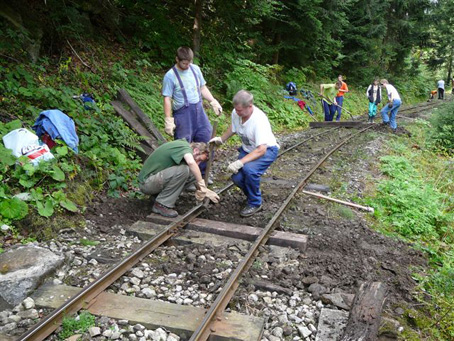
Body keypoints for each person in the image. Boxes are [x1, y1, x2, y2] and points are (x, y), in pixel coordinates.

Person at [209, 90, 279, 217]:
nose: (237, 113)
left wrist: (240, 162)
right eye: (236, 110)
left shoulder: (259, 121)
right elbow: (234, 127)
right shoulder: (237, 113)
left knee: (249, 171)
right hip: (248, 150)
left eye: (240, 110)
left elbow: (261, 150)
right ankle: (252, 195)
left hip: (266, 150)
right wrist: (221, 139)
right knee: (237, 178)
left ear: (250, 106)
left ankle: (255, 203)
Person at [162, 46, 223, 178]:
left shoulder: (195, 70)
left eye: (189, 62)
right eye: (184, 63)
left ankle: (203, 175)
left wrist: (213, 101)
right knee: (183, 147)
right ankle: (184, 178)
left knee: (207, 141)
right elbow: (167, 98)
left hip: (199, 112)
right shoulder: (170, 76)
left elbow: (202, 88)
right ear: (177, 59)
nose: (187, 65)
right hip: (183, 115)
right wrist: (168, 119)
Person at [138, 140, 219, 218]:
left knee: (192, 172)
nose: (198, 163)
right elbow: (191, 162)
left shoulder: (183, 152)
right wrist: (201, 183)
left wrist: (205, 191)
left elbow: (193, 174)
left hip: (154, 181)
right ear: (196, 150)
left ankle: (158, 197)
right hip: (146, 183)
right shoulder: (184, 147)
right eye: (199, 159)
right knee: (184, 170)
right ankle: (161, 205)